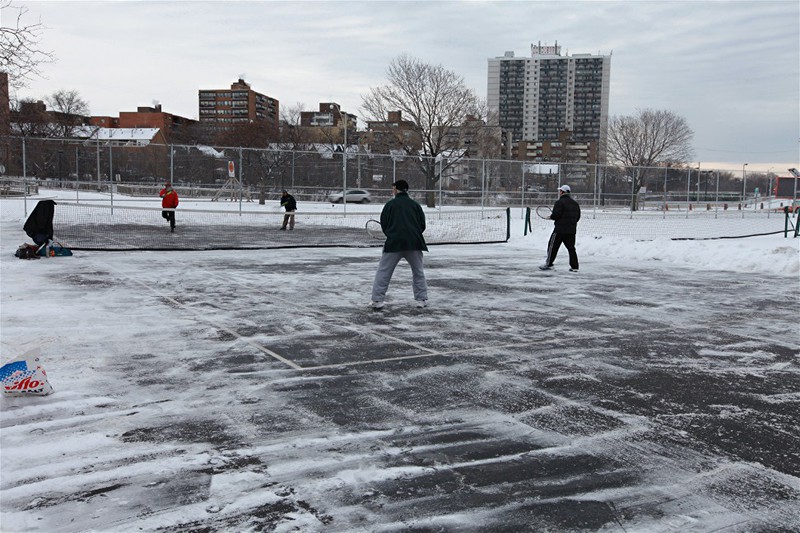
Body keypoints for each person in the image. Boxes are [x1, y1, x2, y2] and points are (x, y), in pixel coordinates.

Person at [370, 180, 428, 309]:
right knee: (418, 271)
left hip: (394, 244)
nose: (392, 190)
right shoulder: (415, 205)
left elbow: (384, 223)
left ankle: (377, 300)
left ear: (396, 189)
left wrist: (392, 234)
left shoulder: (390, 204)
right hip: (414, 243)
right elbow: (422, 224)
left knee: (384, 271)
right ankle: (421, 299)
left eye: (393, 188)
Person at [540, 184, 580, 272]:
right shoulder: (575, 204)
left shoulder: (559, 202)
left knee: (552, 247)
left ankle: (549, 263)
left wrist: (551, 217)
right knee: (571, 248)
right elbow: (578, 217)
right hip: (571, 230)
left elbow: (556, 215)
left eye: (560, 191)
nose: (559, 192)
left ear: (562, 192)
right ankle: (574, 266)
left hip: (559, 230)